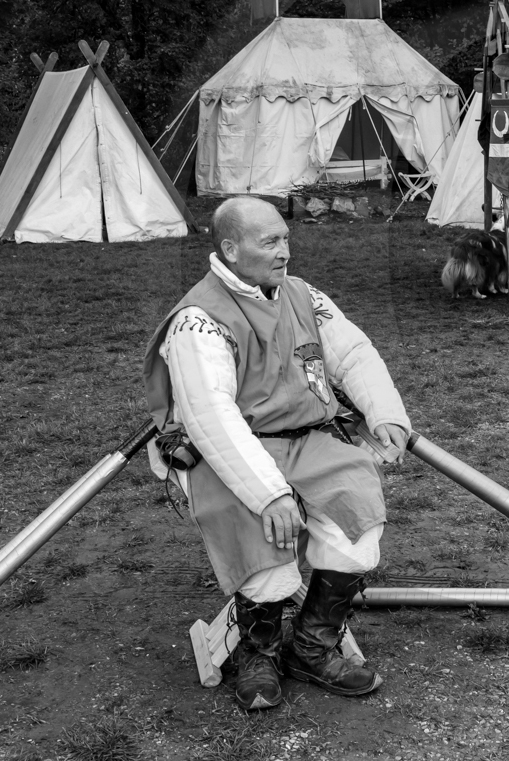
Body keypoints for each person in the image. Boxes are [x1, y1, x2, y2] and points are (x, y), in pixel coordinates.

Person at [143, 197, 413, 710]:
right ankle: (258, 652)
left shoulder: (302, 295)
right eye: (270, 242)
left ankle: (311, 647)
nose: (285, 251)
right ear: (230, 248)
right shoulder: (198, 321)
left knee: (357, 516)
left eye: (285, 238)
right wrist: (270, 495)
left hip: (308, 437)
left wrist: (386, 414)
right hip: (229, 453)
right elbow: (210, 417)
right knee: (264, 542)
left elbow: (351, 351)